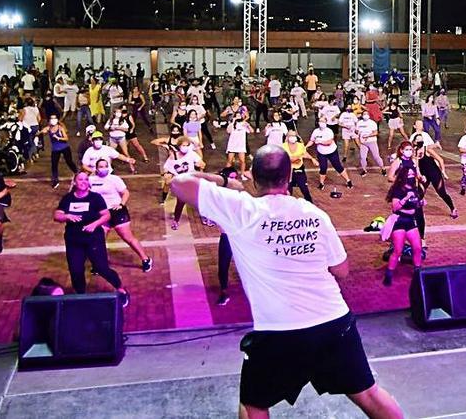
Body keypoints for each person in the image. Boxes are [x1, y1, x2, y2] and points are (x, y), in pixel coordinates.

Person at [169, 146, 401, 417]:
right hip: (333, 322)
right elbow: (342, 270)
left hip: (278, 332)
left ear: (254, 178)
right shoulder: (314, 214)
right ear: (290, 176)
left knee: (253, 405)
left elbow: (179, 183)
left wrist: (226, 181)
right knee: (369, 394)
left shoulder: (242, 209)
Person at [54, 172, 129, 307]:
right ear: (75, 182)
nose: (83, 182)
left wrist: (94, 225)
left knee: (101, 268)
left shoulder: (95, 198)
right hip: (74, 240)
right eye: (80, 179)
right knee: (76, 269)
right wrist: (67, 216)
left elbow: (106, 215)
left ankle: (121, 289)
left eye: (86, 179)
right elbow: (57, 214)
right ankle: (81, 296)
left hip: (93, 239)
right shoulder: (68, 198)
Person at [89, 158, 153, 272]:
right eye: (101, 166)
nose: (103, 168)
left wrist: (121, 204)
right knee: (99, 240)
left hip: (117, 213)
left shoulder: (114, 179)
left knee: (127, 238)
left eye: (105, 166)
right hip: (102, 214)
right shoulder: (91, 180)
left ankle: (145, 259)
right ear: (96, 168)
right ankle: (99, 264)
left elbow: (125, 193)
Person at [381, 169, 424, 287]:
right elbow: (395, 208)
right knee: (398, 251)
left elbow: (415, 205)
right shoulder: (398, 190)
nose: (411, 176)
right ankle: (389, 274)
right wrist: (405, 198)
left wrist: (420, 203)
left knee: (418, 248)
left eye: (412, 174)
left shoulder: (414, 189)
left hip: (410, 221)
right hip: (399, 221)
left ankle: (417, 272)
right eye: (409, 174)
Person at [307, 119, 354, 191]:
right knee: (323, 168)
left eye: (323, 122)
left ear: (326, 122)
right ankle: (321, 183)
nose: (321, 123)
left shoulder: (329, 131)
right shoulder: (315, 131)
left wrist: (319, 141)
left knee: (338, 166)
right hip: (321, 153)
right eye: (320, 121)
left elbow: (329, 142)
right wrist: (306, 146)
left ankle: (348, 181)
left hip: (332, 152)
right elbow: (312, 140)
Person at [39, 115, 77, 188]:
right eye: (51, 118)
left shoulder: (60, 128)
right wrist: (41, 132)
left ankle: (77, 173)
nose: (53, 120)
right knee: (54, 165)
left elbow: (66, 138)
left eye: (54, 118)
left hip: (65, 148)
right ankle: (55, 181)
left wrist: (58, 138)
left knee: (69, 162)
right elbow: (40, 132)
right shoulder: (48, 128)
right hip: (55, 149)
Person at [284, 131, 318, 203]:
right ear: (287, 137)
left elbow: (305, 153)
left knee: (304, 188)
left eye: (294, 136)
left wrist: (312, 159)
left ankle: (310, 203)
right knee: (288, 190)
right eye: (291, 136)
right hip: (288, 171)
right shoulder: (283, 146)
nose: (293, 137)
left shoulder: (301, 146)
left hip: (299, 170)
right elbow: (284, 158)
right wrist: (296, 158)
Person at [355, 111, 384, 176]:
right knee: (363, 157)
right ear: (362, 115)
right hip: (363, 143)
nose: (365, 115)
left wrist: (368, 136)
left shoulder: (372, 123)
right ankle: (364, 170)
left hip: (372, 142)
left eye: (367, 114)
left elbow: (376, 133)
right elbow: (357, 131)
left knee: (376, 156)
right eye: (364, 114)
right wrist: (357, 132)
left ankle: (382, 168)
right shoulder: (359, 123)